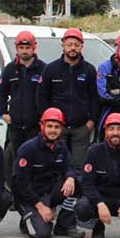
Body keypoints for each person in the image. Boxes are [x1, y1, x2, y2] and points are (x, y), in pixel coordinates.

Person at [12, 108, 84, 238]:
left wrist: (70, 177)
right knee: (42, 235)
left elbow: (69, 167)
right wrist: (41, 207)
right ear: (42, 126)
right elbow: (21, 184)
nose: (53, 130)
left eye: (57, 127)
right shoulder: (28, 149)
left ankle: (64, 225)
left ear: (61, 128)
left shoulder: (61, 147)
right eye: (49, 126)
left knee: (78, 183)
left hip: (48, 193)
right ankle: (28, 218)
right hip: (27, 198)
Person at [36, 28, 99, 171]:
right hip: (57, 128)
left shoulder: (89, 70)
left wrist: (91, 122)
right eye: (69, 44)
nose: (73, 48)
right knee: (55, 163)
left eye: (76, 45)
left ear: (82, 46)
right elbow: (41, 96)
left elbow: (95, 98)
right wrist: (46, 120)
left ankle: (76, 192)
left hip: (81, 127)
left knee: (79, 166)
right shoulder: (51, 69)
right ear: (63, 45)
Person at [0, 30, 46, 187]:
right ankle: (15, 193)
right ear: (17, 48)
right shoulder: (10, 69)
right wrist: (3, 112)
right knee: (15, 160)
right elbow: (1, 91)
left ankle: (33, 191)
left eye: (28, 47)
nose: (25, 51)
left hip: (35, 124)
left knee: (35, 159)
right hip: (16, 124)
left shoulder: (43, 69)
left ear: (34, 47)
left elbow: (48, 94)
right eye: (21, 47)